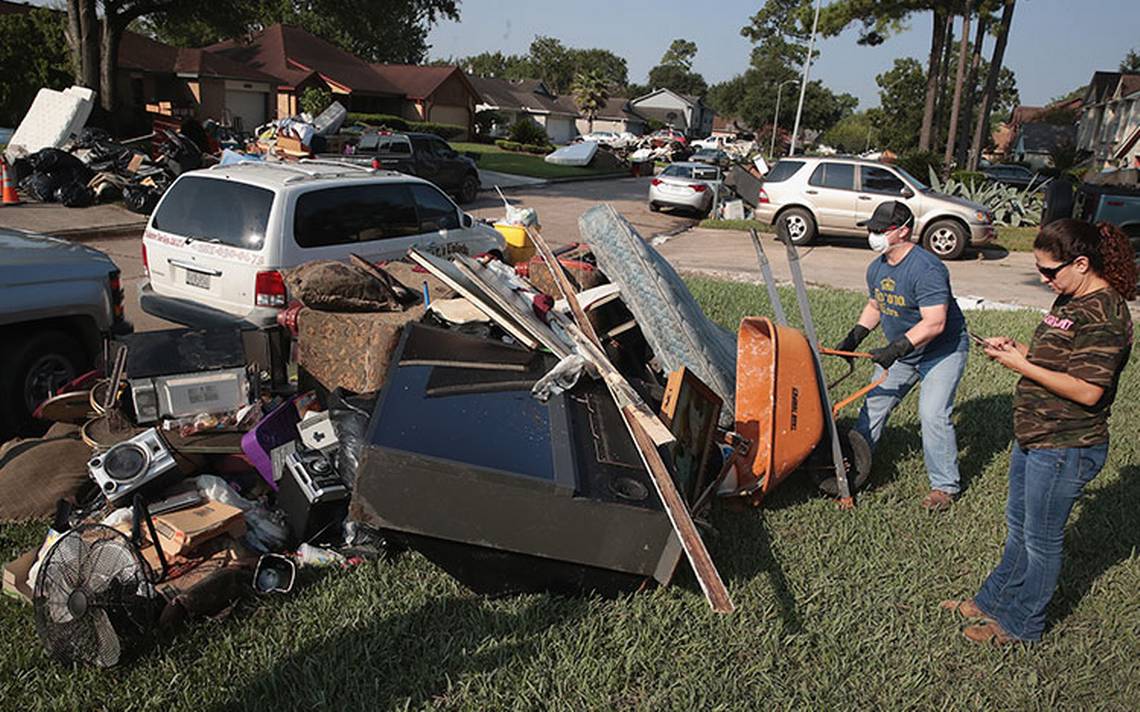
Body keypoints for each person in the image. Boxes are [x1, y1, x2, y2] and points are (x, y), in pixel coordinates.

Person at [945, 219, 1136, 645]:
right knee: (1019, 527)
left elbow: (1088, 390)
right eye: (1039, 271)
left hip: (1067, 443)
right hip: (1036, 436)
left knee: (1041, 541)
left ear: (1082, 263)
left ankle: (1022, 625)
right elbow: (1062, 364)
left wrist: (1022, 367)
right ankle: (993, 601)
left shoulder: (1104, 313)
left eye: (1050, 271)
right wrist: (1019, 351)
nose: (1044, 279)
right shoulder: (1070, 300)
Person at [834, 201, 970, 510]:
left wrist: (895, 349)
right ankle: (856, 469)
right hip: (905, 353)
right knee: (874, 405)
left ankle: (944, 487)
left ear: (903, 231)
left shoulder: (927, 269)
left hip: (941, 352)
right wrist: (855, 336)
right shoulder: (877, 267)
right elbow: (876, 305)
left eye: (879, 230)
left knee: (933, 414)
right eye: (871, 229)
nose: (873, 235)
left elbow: (935, 323)